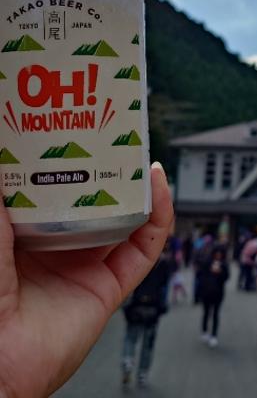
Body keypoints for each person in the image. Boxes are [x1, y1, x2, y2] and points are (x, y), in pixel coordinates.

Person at [0, 162, 173, 398]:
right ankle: (138, 369)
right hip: (142, 303)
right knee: (142, 340)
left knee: (132, 338)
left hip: (131, 303)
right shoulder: (161, 261)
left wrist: (8, 380)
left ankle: (129, 363)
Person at [121, 240, 174, 387]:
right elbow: (164, 287)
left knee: (131, 337)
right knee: (148, 343)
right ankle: (143, 373)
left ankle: (128, 359)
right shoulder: (164, 263)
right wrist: (163, 306)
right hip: (153, 307)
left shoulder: (136, 258)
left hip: (136, 305)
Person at [200, 245, 230, 347]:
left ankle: (214, 334)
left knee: (216, 314)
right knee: (206, 312)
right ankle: (204, 331)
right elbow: (201, 275)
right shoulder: (207, 262)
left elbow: (226, 277)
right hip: (207, 292)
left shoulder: (224, 264)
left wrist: (220, 272)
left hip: (218, 293)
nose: (218, 255)